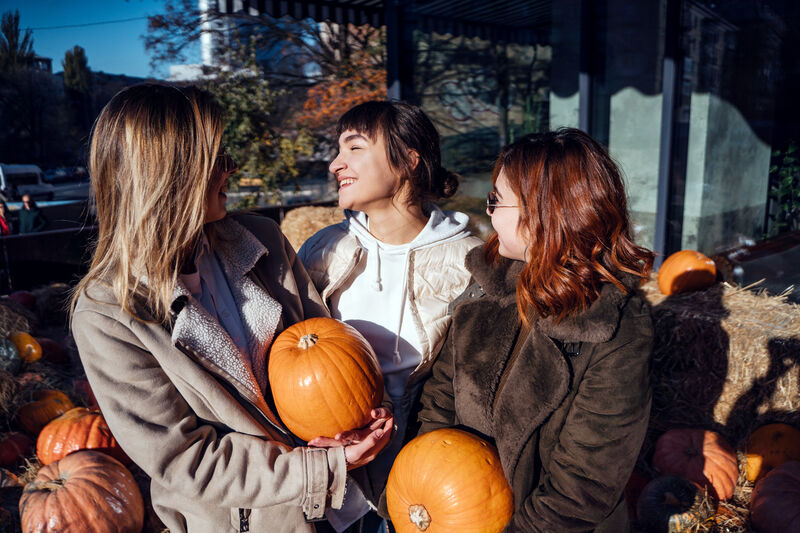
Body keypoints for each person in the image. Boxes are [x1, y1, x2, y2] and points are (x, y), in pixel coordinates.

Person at [70, 83, 393, 533]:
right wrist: (317, 467)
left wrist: (360, 416)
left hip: (347, 504)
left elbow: (325, 351)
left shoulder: (262, 240)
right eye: (217, 158)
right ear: (170, 175)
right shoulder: (108, 315)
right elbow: (187, 460)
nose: (233, 168)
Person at [416, 128, 655, 532]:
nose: (487, 211)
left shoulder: (616, 329)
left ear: (546, 211)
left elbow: (582, 487)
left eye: (496, 200)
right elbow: (441, 396)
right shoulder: (486, 285)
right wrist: (426, 484)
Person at [299, 100, 482, 532]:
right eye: (337, 149)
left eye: (354, 147)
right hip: (333, 472)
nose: (334, 164)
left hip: (425, 474)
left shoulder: (468, 259)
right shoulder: (322, 250)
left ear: (408, 161)